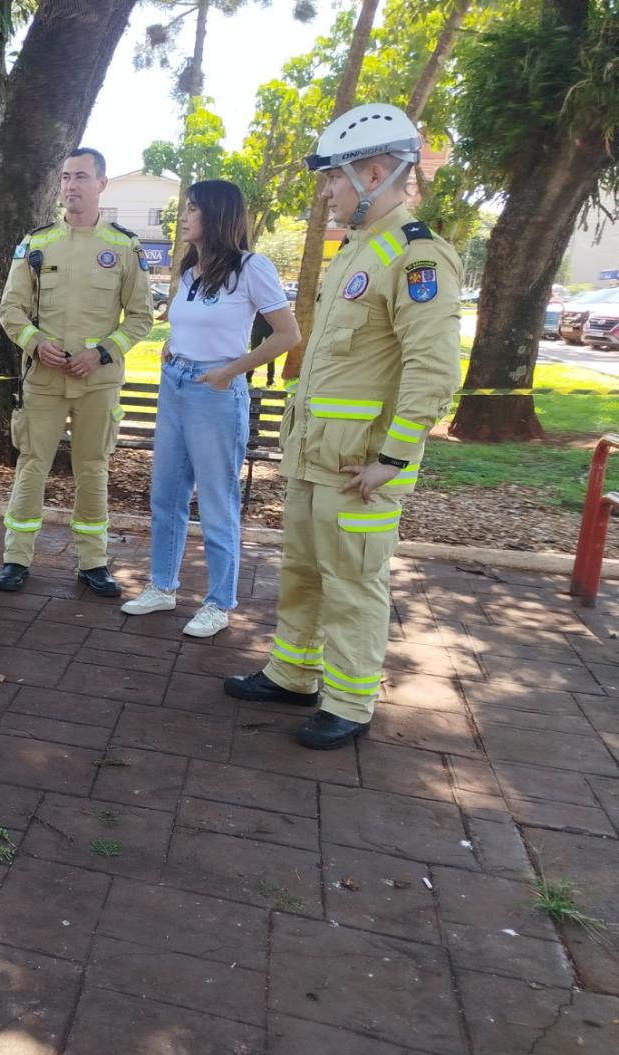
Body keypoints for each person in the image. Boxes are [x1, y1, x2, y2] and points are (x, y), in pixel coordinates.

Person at [224, 104, 462, 749]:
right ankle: (294, 672)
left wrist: (397, 457)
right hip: (316, 455)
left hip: (362, 464)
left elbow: (432, 368)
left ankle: (351, 703)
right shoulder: (358, 249)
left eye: (334, 178)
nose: (326, 190)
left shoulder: (418, 259)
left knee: (354, 581)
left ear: (377, 174)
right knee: (302, 567)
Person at [122, 180, 301, 637]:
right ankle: (162, 587)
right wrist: (171, 349)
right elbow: (187, 323)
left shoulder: (251, 268)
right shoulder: (189, 270)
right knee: (166, 496)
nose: (183, 217)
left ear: (217, 215)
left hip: (216, 391)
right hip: (176, 384)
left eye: (193, 209)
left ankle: (219, 604)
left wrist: (229, 372)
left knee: (217, 502)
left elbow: (287, 335)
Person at [0, 148, 154, 598]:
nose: (71, 186)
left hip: (97, 383)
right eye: (65, 177)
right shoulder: (37, 243)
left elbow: (141, 318)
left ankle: (93, 562)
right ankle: (15, 558)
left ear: (101, 184)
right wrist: (34, 342)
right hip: (43, 380)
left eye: (81, 177)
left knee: (92, 469)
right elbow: (10, 308)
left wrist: (104, 353)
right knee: (31, 466)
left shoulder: (124, 246)